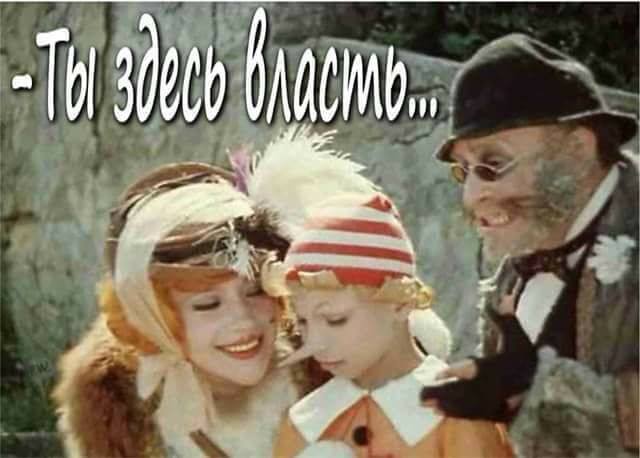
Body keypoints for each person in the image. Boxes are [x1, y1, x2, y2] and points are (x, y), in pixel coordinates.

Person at [53, 127, 380, 457]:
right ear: (157, 321)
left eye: (256, 291)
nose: (243, 320)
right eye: (208, 304)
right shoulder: (116, 410)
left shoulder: (338, 366)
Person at [421, 33, 639, 457]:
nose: (472, 196)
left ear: (577, 148)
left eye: (493, 164)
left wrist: (540, 384)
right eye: (463, 171)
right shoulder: (515, 271)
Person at [273, 192, 513, 457]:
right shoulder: (304, 422)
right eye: (303, 322)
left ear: (400, 303)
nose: (315, 343)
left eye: (335, 320)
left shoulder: (460, 412)